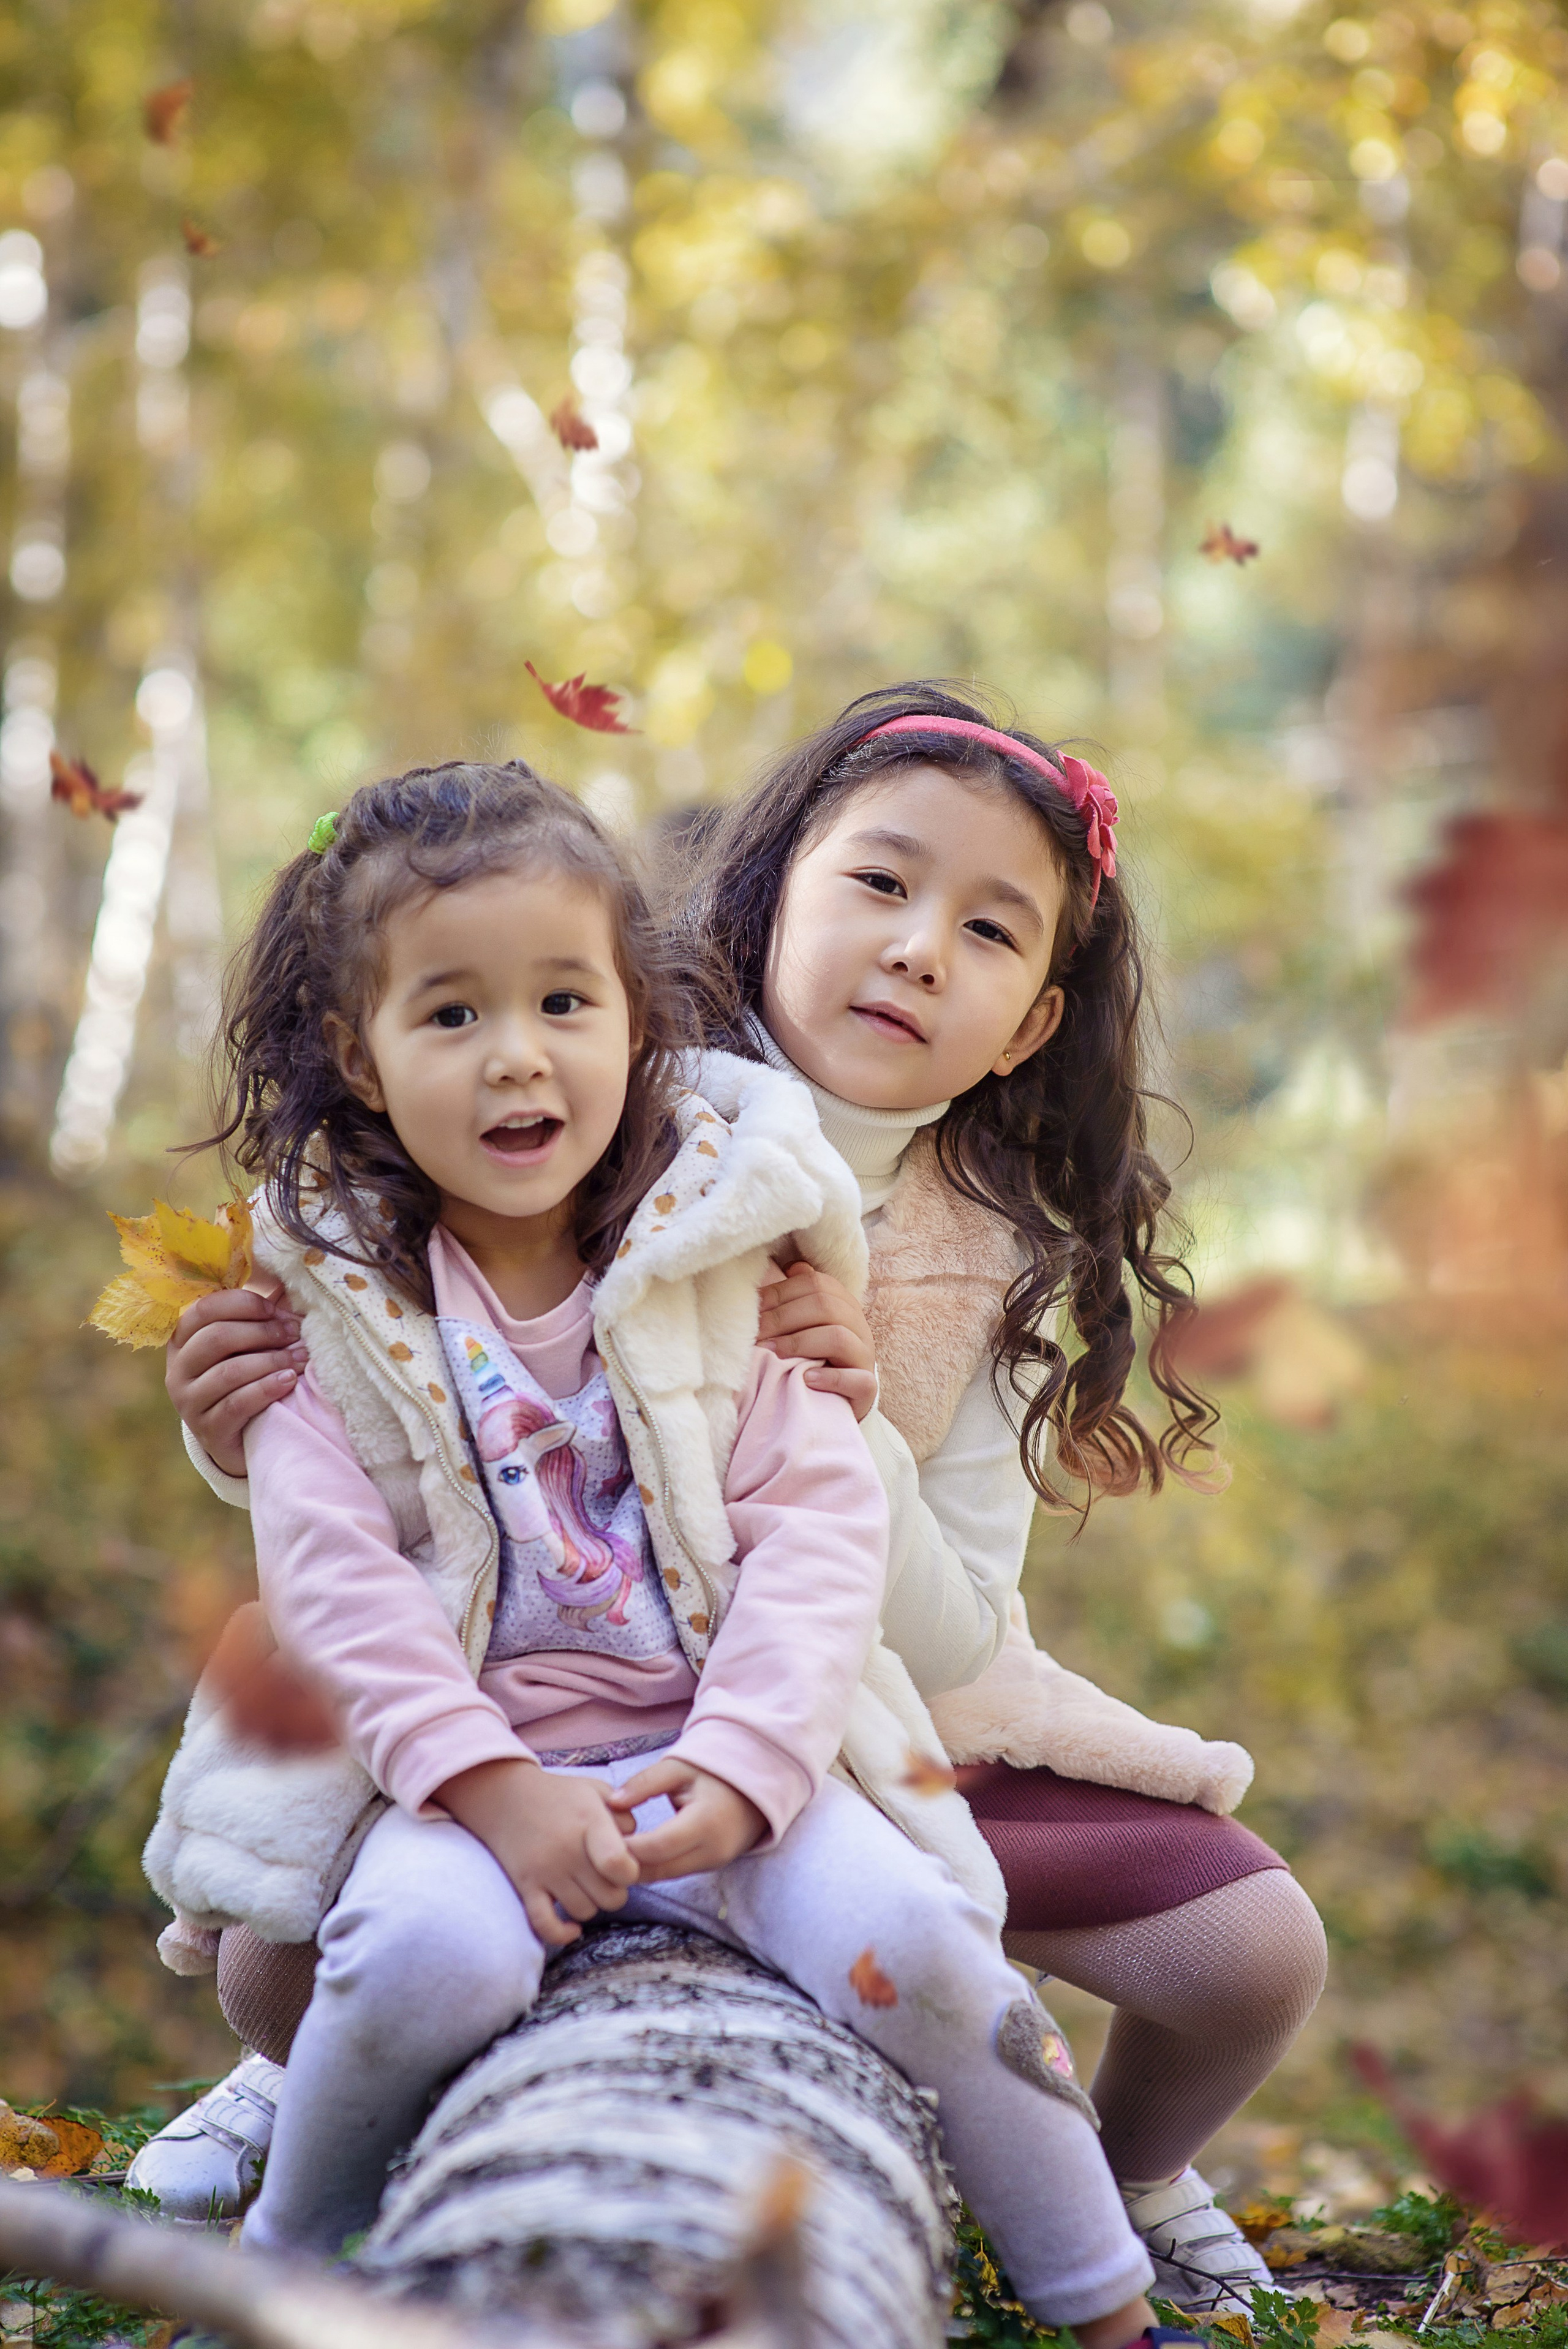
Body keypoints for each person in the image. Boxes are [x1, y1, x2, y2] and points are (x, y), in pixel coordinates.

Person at [141, 692, 1327, 2310]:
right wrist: (234, 1415)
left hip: (875, 1714)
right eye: (882, 885)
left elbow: (958, 1618)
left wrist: (852, 1427)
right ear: (774, 896)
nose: (918, 949)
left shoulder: (989, 1249)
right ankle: (312, 2079)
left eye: (987, 930)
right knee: (294, 1950)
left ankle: (1100, 2170)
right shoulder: (605, 1095)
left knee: (1254, 1954)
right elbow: (412, 1415)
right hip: (526, 1709)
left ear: (1033, 1021)